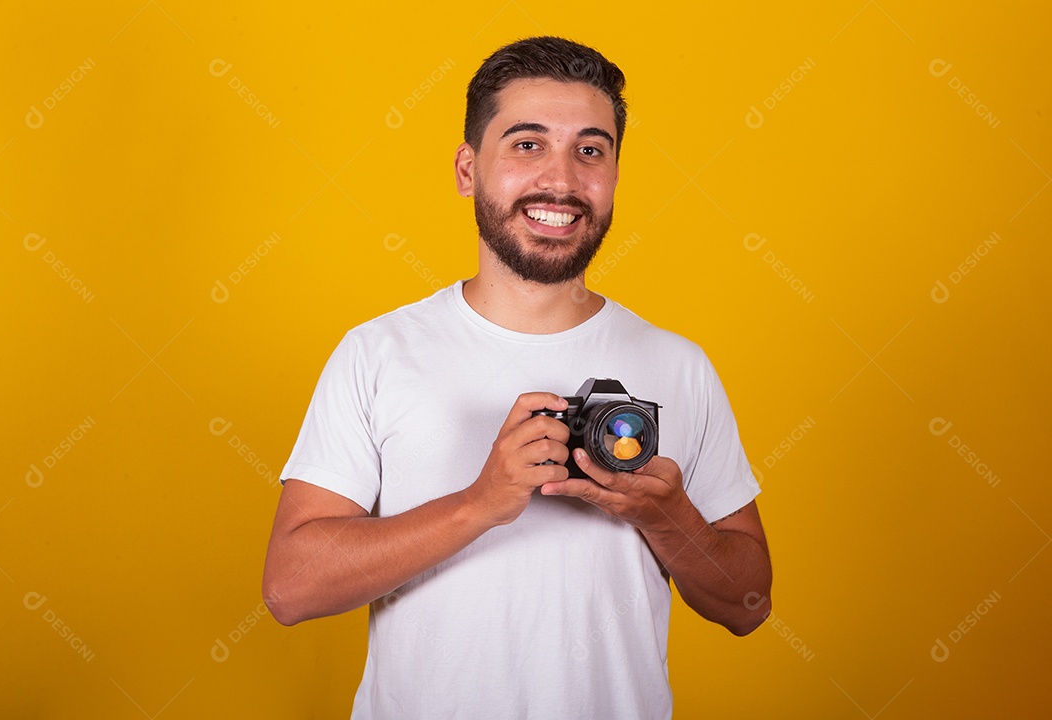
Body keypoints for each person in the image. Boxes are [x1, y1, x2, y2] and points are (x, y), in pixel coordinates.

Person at [263, 36, 772, 719]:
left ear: (615, 173)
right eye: (527, 144)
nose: (561, 181)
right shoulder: (378, 353)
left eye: (591, 150)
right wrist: (481, 502)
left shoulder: (679, 364)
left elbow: (749, 604)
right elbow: (290, 588)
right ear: (468, 169)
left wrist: (668, 517)